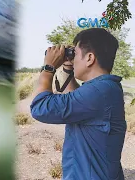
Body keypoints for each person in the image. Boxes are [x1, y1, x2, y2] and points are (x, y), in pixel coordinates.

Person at [30, 28, 126, 180]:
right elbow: (76, 101)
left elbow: (40, 108)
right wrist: (68, 68)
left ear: (89, 58)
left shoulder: (99, 90)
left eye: (75, 54)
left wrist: (48, 68)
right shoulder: (104, 88)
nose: (73, 59)